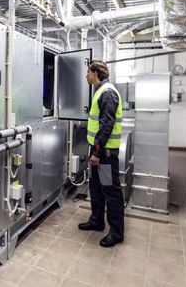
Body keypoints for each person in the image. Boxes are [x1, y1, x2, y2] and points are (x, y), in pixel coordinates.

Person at [78, 60, 124, 247]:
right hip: (97, 150)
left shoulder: (107, 93)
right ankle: (97, 220)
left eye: (88, 72)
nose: (86, 75)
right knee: (96, 187)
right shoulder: (100, 91)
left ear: (95, 72)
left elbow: (106, 126)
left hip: (104, 153)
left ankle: (116, 233)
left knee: (110, 192)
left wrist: (97, 152)